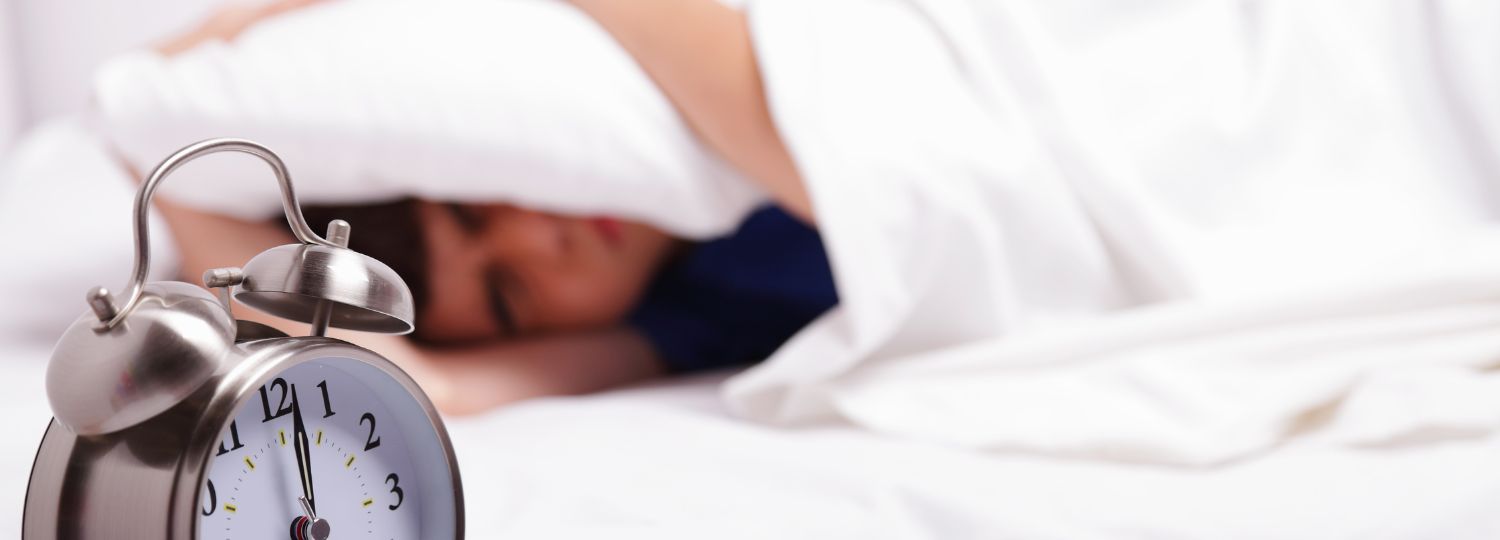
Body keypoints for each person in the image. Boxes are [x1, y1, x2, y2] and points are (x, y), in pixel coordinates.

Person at [148, 0, 829, 415]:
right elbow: (435, 389)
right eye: (510, 294)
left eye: (479, 205)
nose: (539, 237)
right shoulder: (703, 307)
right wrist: (158, 165)